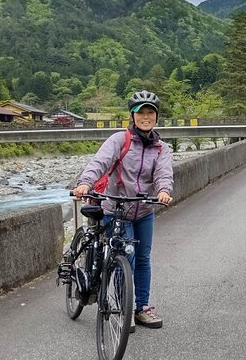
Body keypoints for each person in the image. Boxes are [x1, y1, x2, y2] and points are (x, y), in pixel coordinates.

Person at [72, 90, 173, 330]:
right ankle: (122, 308)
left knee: (143, 259)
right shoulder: (120, 140)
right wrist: (85, 182)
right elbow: (100, 162)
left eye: (150, 112)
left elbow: (163, 174)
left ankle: (142, 308)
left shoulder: (161, 148)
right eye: (141, 113)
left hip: (145, 210)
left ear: (156, 117)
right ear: (132, 116)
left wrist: (164, 190)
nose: (146, 117)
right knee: (125, 256)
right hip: (116, 207)